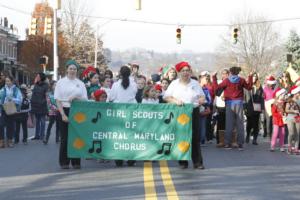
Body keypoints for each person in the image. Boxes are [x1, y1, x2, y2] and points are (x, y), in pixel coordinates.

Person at [164, 61, 205, 169]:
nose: (185, 73)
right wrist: (175, 101)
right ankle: (183, 161)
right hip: (180, 111)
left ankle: (198, 162)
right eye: (183, 71)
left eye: (187, 70)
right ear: (179, 72)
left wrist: (200, 100)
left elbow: (202, 96)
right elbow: (166, 97)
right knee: (181, 136)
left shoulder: (195, 84)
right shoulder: (174, 84)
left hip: (193, 111)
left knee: (195, 137)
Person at [54, 60, 88, 169]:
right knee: (65, 138)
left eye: (74, 69)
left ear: (77, 71)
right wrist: (63, 114)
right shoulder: (61, 82)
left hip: (77, 112)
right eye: (71, 68)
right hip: (64, 109)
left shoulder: (81, 83)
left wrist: (77, 98)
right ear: (67, 69)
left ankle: (76, 161)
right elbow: (58, 100)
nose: (72, 70)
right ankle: (64, 162)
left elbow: (85, 99)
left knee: (76, 136)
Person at [212, 67, 253, 150]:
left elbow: (217, 88)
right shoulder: (241, 80)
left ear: (230, 72)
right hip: (239, 103)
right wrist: (250, 77)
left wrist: (214, 78)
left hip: (229, 104)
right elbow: (249, 87)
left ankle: (227, 144)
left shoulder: (226, 80)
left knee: (229, 124)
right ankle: (240, 144)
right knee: (240, 124)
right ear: (238, 72)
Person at [109, 65, 138, 167]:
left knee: (119, 136)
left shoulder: (116, 85)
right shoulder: (133, 84)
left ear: (120, 74)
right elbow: (134, 94)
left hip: (118, 113)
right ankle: (130, 159)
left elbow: (111, 97)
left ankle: (118, 159)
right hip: (131, 113)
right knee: (130, 137)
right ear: (130, 74)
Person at [0, 75, 22, 148]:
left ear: (12, 81)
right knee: (1, 125)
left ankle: (10, 140)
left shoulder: (16, 89)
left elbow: (19, 100)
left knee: (11, 125)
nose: (7, 82)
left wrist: (12, 99)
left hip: (11, 109)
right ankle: (1, 141)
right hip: (3, 109)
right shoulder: (3, 89)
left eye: (8, 81)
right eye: (6, 81)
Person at [244, 72, 264, 145]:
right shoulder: (247, 86)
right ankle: (247, 136)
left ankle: (255, 139)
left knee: (256, 124)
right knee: (249, 124)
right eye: (253, 76)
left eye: (255, 76)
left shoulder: (259, 86)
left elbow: (262, 98)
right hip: (249, 107)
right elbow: (244, 97)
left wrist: (262, 108)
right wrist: (244, 108)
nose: (254, 77)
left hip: (257, 108)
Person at [31, 72, 48, 140]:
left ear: (41, 77)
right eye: (36, 76)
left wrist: (42, 102)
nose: (36, 77)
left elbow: (46, 95)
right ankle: (36, 135)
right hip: (35, 105)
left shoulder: (45, 85)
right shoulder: (36, 84)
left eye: (38, 76)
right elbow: (34, 94)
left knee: (42, 121)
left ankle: (42, 135)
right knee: (37, 121)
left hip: (42, 105)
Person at [215, 69, 229, 147]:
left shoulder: (230, 83)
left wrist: (227, 96)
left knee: (228, 124)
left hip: (229, 105)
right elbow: (217, 93)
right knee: (220, 123)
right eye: (223, 74)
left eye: (226, 73)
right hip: (220, 106)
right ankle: (219, 140)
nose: (224, 75)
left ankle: (227, 140)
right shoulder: (220, 83)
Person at [270, 88, 287, 152]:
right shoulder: (275, 103)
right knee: (275, 133)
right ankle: (272, 146)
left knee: (282, 133)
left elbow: (286, 110)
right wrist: (280, 115)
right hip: (276, 120)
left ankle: (281, 146)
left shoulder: (284, 103)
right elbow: (273, 113)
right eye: (282, 94)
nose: (283, 96)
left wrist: (285, 114)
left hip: (283, 120)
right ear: (279, 95)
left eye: (284, 95)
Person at [285, 86, 300, 154]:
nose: (299, 94)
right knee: (291, 133)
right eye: (298, 93)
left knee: (297, 133)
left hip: (298, 119)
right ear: (295, 93)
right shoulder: (289, 100)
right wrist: (294, 111)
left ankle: (296, 148)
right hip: (290, 118)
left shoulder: (299, 100)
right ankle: (289, 147)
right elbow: (286, 110)